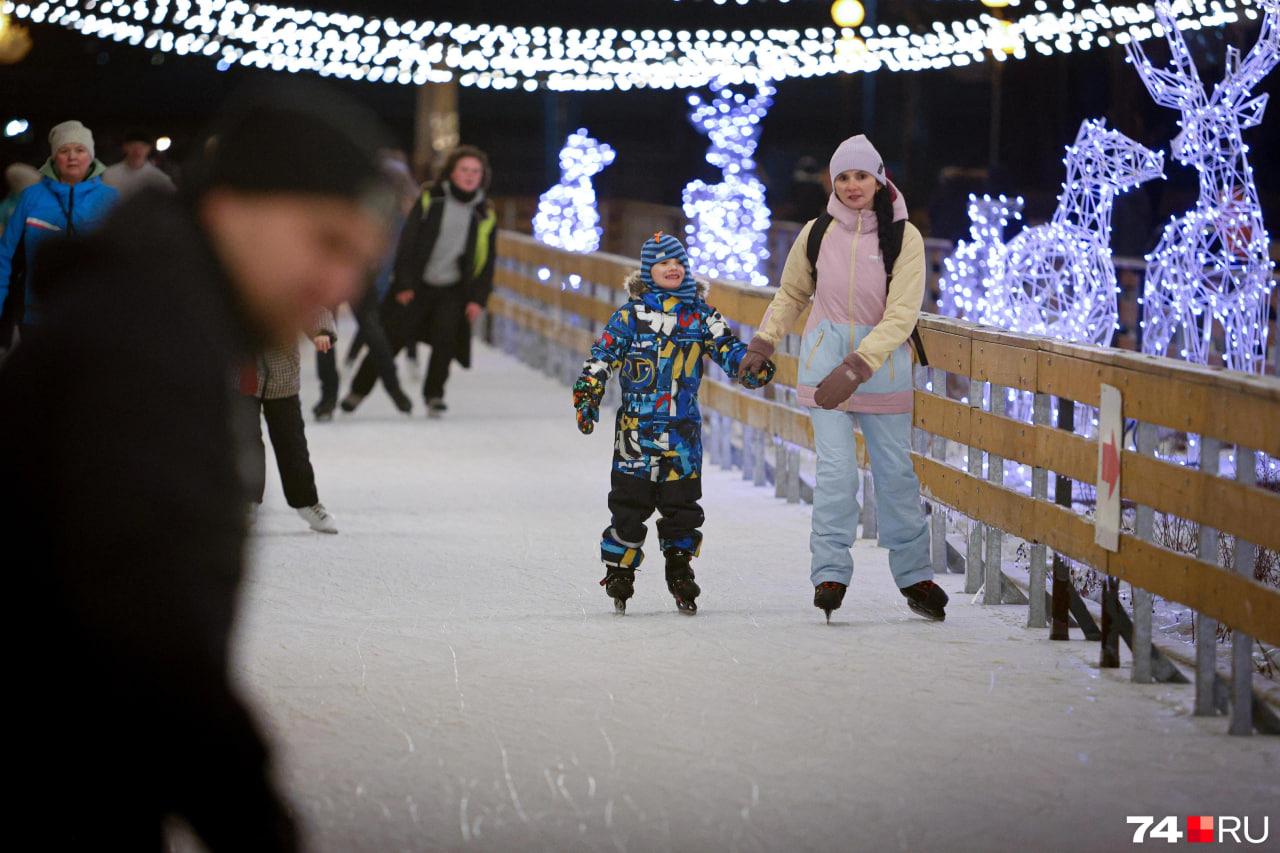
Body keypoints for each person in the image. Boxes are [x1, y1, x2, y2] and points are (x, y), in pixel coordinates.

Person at [0, 81, 393, 849]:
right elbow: (154, 635)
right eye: (325, 240)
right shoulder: (148, 343)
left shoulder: (157, 307)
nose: (338, 285)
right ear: (231, 207)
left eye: (358, 259)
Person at [737, 134, 949, 623]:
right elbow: (791, 293)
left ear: (879, 179)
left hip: (880, 371)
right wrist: (764, 341)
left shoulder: (904, 237)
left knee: (895, 474)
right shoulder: (817, 234)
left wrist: (857, 366)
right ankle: (830, 572)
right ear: (832, 182)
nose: (853, 185)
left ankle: (914, 575)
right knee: (836, 473)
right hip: (821, 366)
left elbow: (902, 315)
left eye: (862, 175)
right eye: (844, 177)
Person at [573, 232, 776, 614]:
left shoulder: (701, 316)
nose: (672, 268)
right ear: (649, 271)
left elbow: (728, 351)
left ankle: (680, 568)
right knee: (629, 505)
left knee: (681, 507)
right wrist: (588, 392)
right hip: (635, 434)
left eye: (678, 263)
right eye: (664, 263)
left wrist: (750, 367)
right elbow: (603, 355)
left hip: (682, 436)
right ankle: (619, 569)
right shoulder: (630, 316)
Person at [342, 145, 498, 418]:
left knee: (445, 341)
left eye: (476, 171)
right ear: (451, 172)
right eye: (464, 170)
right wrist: (403, 283)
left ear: (482, 176)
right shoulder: (430, 199)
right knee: (388, 341)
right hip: (416, 285)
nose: (470, 175)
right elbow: (408, 243)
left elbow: (487, 261)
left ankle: (434, 396)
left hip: (453, 288)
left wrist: (477, 298)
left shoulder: (484, 212)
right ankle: (357, 391)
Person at [0, 121, 118, 338]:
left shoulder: (111, 199)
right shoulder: (32, 197)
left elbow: (125, 258)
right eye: (64, 150)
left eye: (80, 150)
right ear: (54, 157)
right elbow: (4, 255)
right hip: (38, 315)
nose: (72, 157)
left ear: (91, 156)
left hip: (94, 316)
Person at [244, 307, 341, 532]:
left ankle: (307, 501)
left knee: (292, 442)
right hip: (243, 372)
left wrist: (322, 330)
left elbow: (309, 300)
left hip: (282, 372)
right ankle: (246, 500)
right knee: (246, 441)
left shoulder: (287, 274)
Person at [103, 128, 176, 198]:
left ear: (149, 148)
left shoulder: (158, 178)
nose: (137, 151)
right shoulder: (109, 174)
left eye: (143, 146)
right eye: (132, 146)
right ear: (125, 147)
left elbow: (174, 200)